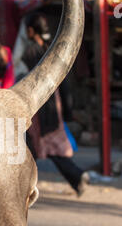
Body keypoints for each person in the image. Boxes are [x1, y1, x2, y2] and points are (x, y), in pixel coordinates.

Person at [20, 12, 89, 196]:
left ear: (30, 30)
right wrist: (67, 109)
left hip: (39, 107)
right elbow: (63, 83)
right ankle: (77, 177)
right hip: (53, 105)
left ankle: (19, 187)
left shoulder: (31, 52)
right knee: (47, 148)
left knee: (30, 147)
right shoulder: (51, 50)